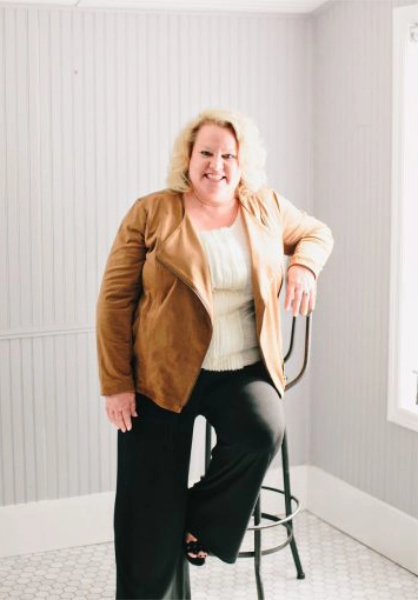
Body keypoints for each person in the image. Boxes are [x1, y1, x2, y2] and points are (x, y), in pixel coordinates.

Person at [96, 108, 334, 600]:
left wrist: (303, 268)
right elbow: (115, 300)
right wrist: (116, 382)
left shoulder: (264, 207)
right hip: (161, 374)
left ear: (243, 163)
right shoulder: (152, 211)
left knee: (261, 430)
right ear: (188, 157)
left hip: (241, 369)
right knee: (146, 505)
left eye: (229, 155)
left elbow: (316, 233)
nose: (217, 164)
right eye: (206, 152)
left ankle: (196, 525)